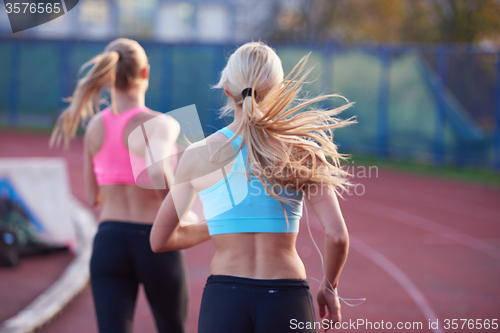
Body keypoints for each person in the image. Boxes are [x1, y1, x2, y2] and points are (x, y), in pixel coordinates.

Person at [150, 41, 355, 333]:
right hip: (287, 297)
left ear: (227, 91)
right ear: (280, 91)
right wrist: (330, 287)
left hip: (224, 298)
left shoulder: (198, 154)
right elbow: (337, 237)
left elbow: (160, 240)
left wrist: (223, 223)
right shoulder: (303, 152)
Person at [51, 38, 189, 333]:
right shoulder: (161, 123)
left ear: (109, 74)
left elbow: (92, 196)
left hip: (109, 240)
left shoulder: (94, 127)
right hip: (155, 240)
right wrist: (184, 211)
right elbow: (158, 172)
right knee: (172, 327)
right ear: (145, 73)